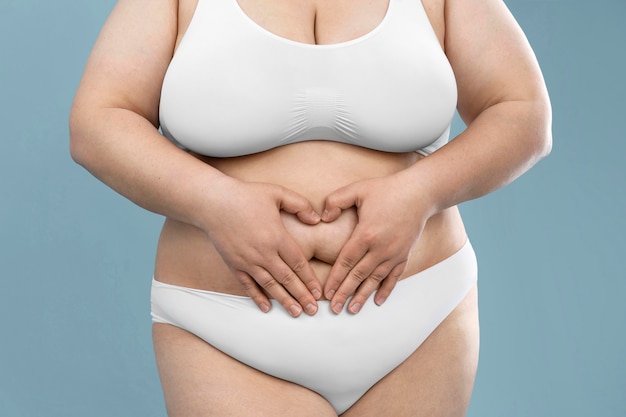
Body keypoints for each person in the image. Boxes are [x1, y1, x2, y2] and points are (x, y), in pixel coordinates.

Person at [69, 0, 551, 415]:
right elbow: (97, 122)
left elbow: (524, 112)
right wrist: (215, 201)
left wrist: (421, 191)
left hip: (423, 314)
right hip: (227, 329)